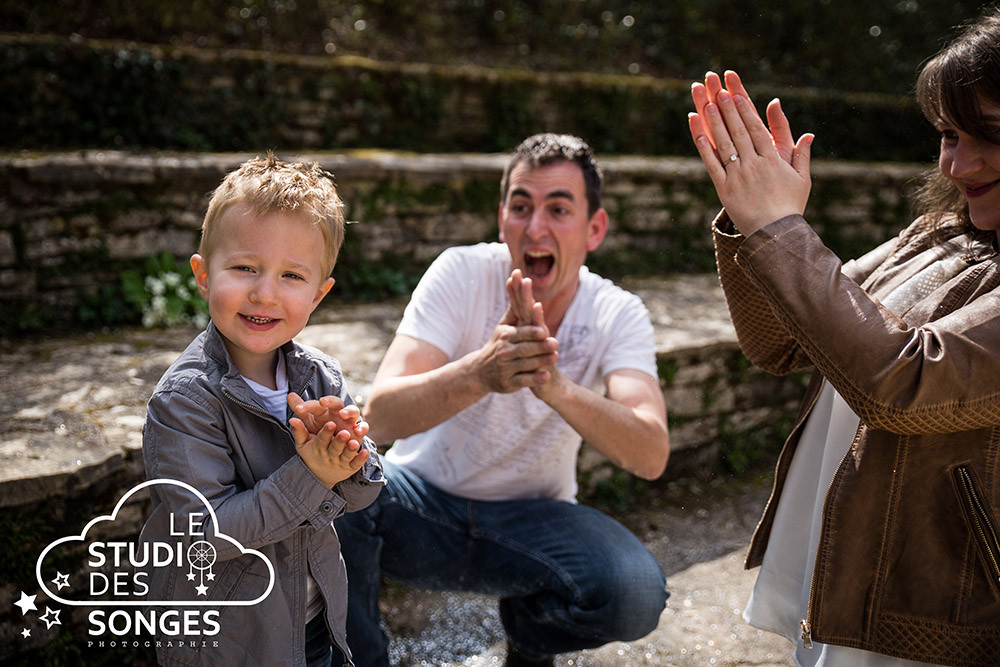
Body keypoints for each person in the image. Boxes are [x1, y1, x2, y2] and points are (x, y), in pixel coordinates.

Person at [686, 8, 1000, 667]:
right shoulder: (938, 233)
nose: (957, 161)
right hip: (845, 574)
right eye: (947, 132)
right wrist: (754, 225)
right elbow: (782, 341)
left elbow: (906, 383)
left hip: (941, 610)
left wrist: (780, 234)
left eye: (989, 135)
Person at [330, 133, 671, 666]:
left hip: (535, 524)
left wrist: (553, 385)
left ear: (594, 229)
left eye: (559, 209)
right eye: (521, 206)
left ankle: (530, 641)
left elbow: (650, 453)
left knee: (635, 592)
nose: (536, 228)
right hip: (419, 505)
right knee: (331, 480)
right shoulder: (460, 271)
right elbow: (379, 418)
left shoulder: (617, 312)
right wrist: (481, 373)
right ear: (501, 219)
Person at [138, 154, 385, 667]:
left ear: (318, 296)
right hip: (227, 643)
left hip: (312, 622)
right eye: (245, 267)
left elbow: (362, 495)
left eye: (292, 275)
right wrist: (312, 473)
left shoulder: (320, 378)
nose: (264, 292)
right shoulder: (186, 399)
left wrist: (349, 453)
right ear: (204, 277)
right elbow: (202, 535)